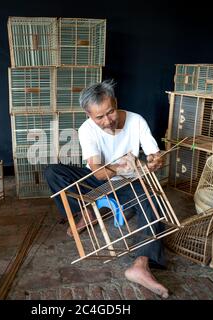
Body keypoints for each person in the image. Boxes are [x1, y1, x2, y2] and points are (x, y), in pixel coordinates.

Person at [44, 79, 169, 299]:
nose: (107, 121)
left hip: (126, 182)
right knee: (53, 171)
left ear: (116, 103)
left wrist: (155, 160)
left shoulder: (136, 121)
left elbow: (153, 153)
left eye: (110, 112)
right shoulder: (87, 129)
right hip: (98, 178)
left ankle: (140, 265)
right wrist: (117, 165)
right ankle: (85, 213)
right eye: (99, 117)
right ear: (88, 115)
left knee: (152, 200)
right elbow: (97, 171)